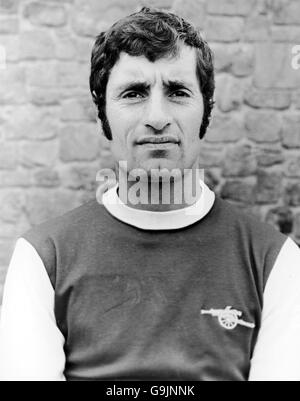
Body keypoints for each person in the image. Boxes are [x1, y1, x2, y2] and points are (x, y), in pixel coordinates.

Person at [0, 7, 300, 381]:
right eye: (134, 93)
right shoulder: (43, 260)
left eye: (177, 91)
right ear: (103, 114)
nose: (157, 116)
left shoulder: (275, 264)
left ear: (205, 110)